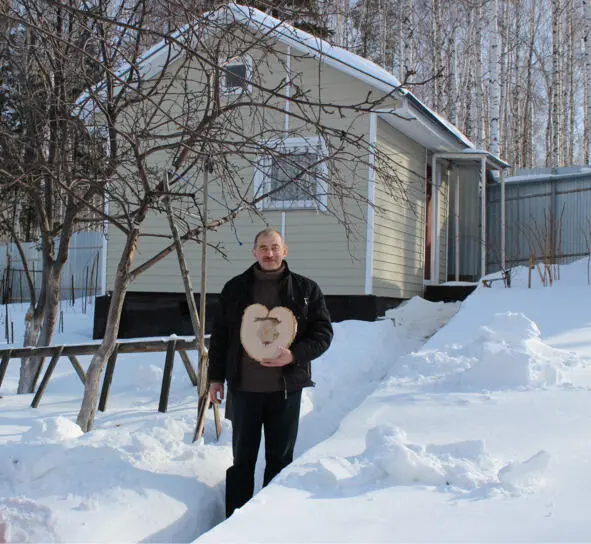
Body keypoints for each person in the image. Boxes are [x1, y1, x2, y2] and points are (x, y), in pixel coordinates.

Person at [208, 227, 333, 518]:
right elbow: (220, 337)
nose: (269, 253)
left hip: (285, 390)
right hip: (244, 390)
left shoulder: (306, 290)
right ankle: (235, 522)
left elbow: (323, 333)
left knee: (280, 459)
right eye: (263, 247)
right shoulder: (235, 288)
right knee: (242, 461)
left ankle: (272, 521)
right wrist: (215, 378)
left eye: (274, 247)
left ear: (284, 251)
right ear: (254, 252)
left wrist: (295, 355)